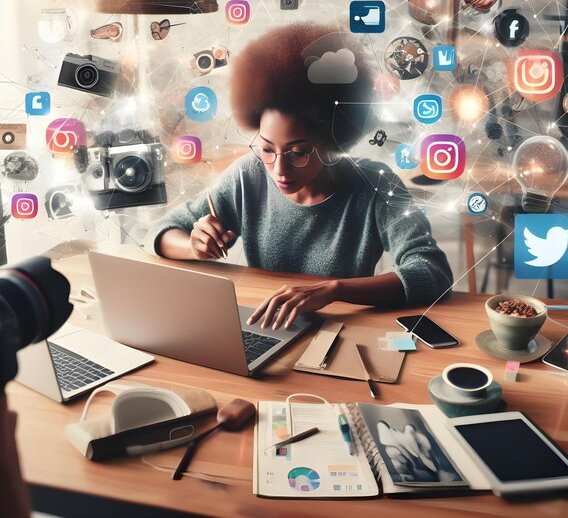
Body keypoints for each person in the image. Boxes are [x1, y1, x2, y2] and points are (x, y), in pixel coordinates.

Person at [146, 23, 453, 329]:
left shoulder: (376, 184)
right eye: (267, 149)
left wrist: (335, 289)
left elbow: (432, 271)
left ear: (331, 140)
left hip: (341, 334)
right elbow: (162, 232)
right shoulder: (247, 176)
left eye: (298, 152)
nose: (279, 169)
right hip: (268, 327)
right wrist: (193, 247)